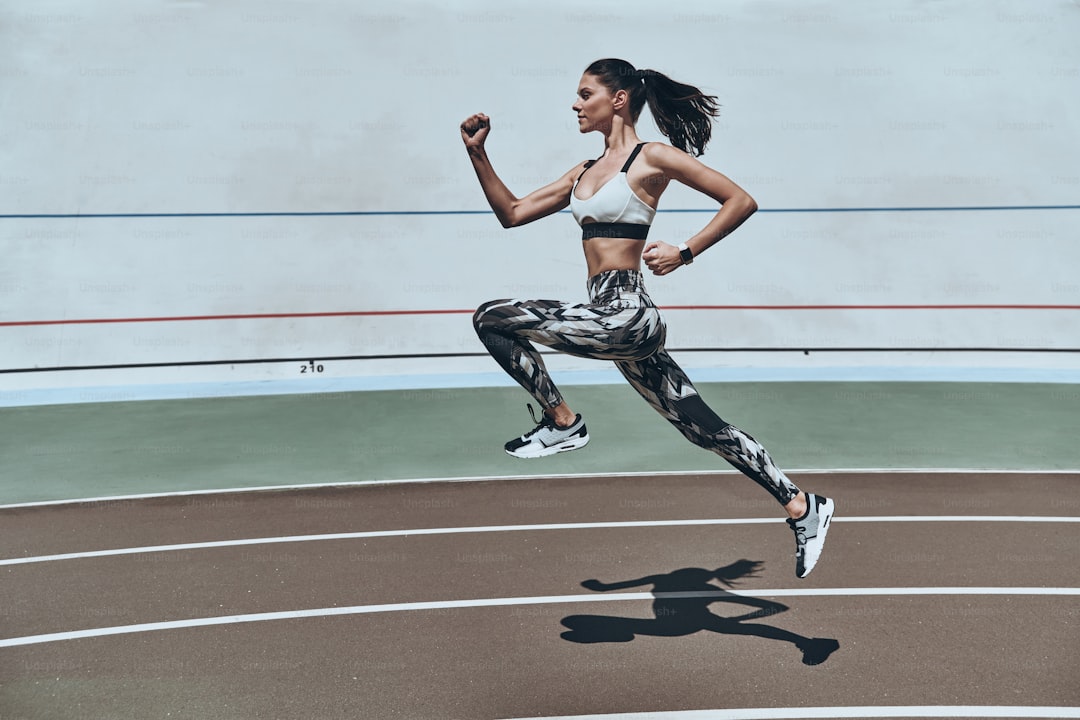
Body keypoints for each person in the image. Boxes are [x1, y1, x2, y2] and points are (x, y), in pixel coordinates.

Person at [460, 58, 834, 578]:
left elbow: (740, 200)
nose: (575, 103)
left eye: (584, 93)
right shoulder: (583, 172)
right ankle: (801, 506)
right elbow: (513, 213)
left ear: (617, 100)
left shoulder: (651, 156)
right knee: (702, 428)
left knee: (492, 317)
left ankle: (563, 421)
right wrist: (478, 155)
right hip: (607, 316)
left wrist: (685, 251)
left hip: (627, 314)